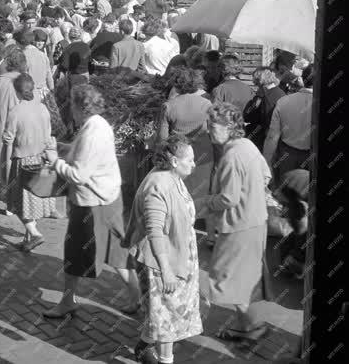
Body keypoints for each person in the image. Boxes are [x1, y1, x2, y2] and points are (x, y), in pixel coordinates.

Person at [43, 84, 141, 319]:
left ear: (79, 107)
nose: (70, 112)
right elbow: (87, 157)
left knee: (76, 253)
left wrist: (55, 160)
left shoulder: (91, 132)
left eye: (72, 107)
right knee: (116, 252)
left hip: (92, 203)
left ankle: (68, 301)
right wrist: (66, 148)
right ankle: (137, 297)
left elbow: (80, 175)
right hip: (107, 198)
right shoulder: (97, 124)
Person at [195, 102, 272, 341]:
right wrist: (252, 195)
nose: (209, 130)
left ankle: (188, 324)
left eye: (213, 125)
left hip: (239, 226)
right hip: (257, 222)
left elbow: (228, 198)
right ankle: (248, 326)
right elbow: (266, 175)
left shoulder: (231, 157)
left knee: (220, 276)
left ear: (230, 127)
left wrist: (205, 201)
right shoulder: (248, 145)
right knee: (241, 277)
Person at [126, 134, 203, 364]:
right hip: (161, 263)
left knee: (166, 316)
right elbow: (155, 232)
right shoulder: (157, 185)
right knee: (167, 318)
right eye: (189, 159)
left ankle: (144, 345)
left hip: (178, 256)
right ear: (174, 161)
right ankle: (164, 360)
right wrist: (167, 270)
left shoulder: (174, 177)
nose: (194, 164)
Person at [3, 74, 57, 252]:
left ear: (17, 92)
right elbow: (48, 135)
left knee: (18, 202)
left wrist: (6, 164)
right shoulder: (43, 109)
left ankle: (34, 234)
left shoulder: (15, 112)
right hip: (41, 158)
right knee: (34, 200)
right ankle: (28, 240)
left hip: (22, 160)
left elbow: (8, 140)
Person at [157, 68, 214, 202]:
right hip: (203, 156)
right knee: (200, 196)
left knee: (178, 197)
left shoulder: (168, 106)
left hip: (179, 157)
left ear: (177, 84)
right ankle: (198, 222)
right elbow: (212, 132)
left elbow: (162, 139)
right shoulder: (207, 104)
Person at [262, 64, 314, 188]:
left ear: (303, 79)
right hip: (310, 158)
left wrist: (266, 163)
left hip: (287, 157)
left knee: (287, 199)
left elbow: (272, 137)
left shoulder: (284, 101)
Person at [0, 49, 27, 188]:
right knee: (13, 153)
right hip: (16, 124)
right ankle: (12, 189)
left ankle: (1, 182)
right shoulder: (24, 81)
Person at [243, 67, 286, 152]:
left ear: (260, 80)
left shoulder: (264, 96)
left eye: (255, 79)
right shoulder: (281, 93)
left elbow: (250, 116)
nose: (253, 82)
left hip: (264, 140)